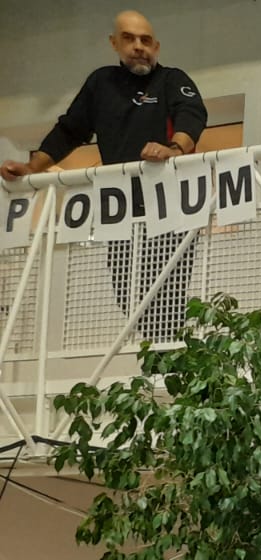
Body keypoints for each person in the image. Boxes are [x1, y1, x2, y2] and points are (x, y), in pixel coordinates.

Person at [2, 10, 207, 343]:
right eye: (129, 38)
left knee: (165, 297)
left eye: (146, 40)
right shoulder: (101, 83)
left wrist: (174, 148)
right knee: (127, 295)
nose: (139, 47)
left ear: (156, 47)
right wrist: (30, 169)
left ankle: (171, 356)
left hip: (167, 208)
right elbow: (69, 130)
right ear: (114, 43)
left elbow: (192, 114)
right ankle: (163, 355)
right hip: (119, 209)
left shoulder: (171, 79)